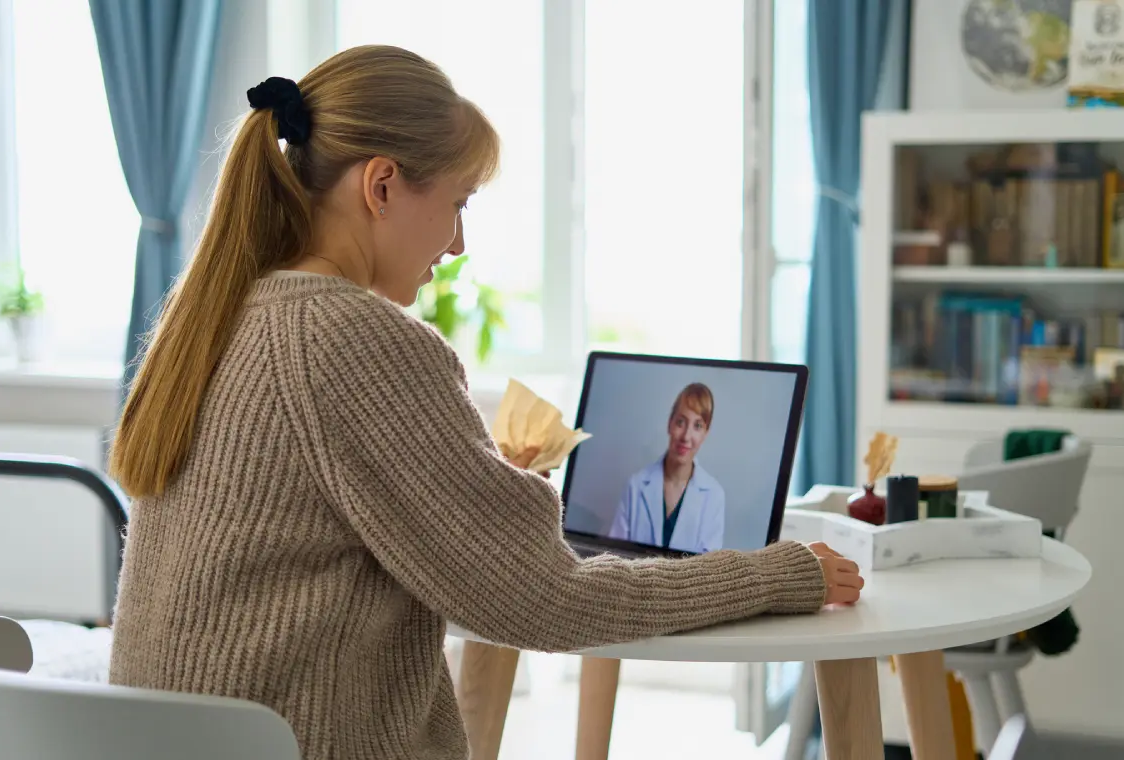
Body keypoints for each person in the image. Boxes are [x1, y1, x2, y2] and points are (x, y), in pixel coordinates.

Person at [106, 45, 863, 760]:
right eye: (458, 202)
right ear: (381, 186)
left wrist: (481, 489)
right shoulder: (352, 337)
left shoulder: (218, 317)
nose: (458, 242)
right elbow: (546, 601)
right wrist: (777, 575)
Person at [608, 383, 725, 552]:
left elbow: (709, 565)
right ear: (670, 423)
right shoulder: (636, 486)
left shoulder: (714, 496)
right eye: (680, 422)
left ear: (705, 433)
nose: (686, 436)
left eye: (698, 426)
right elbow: (614, 556)